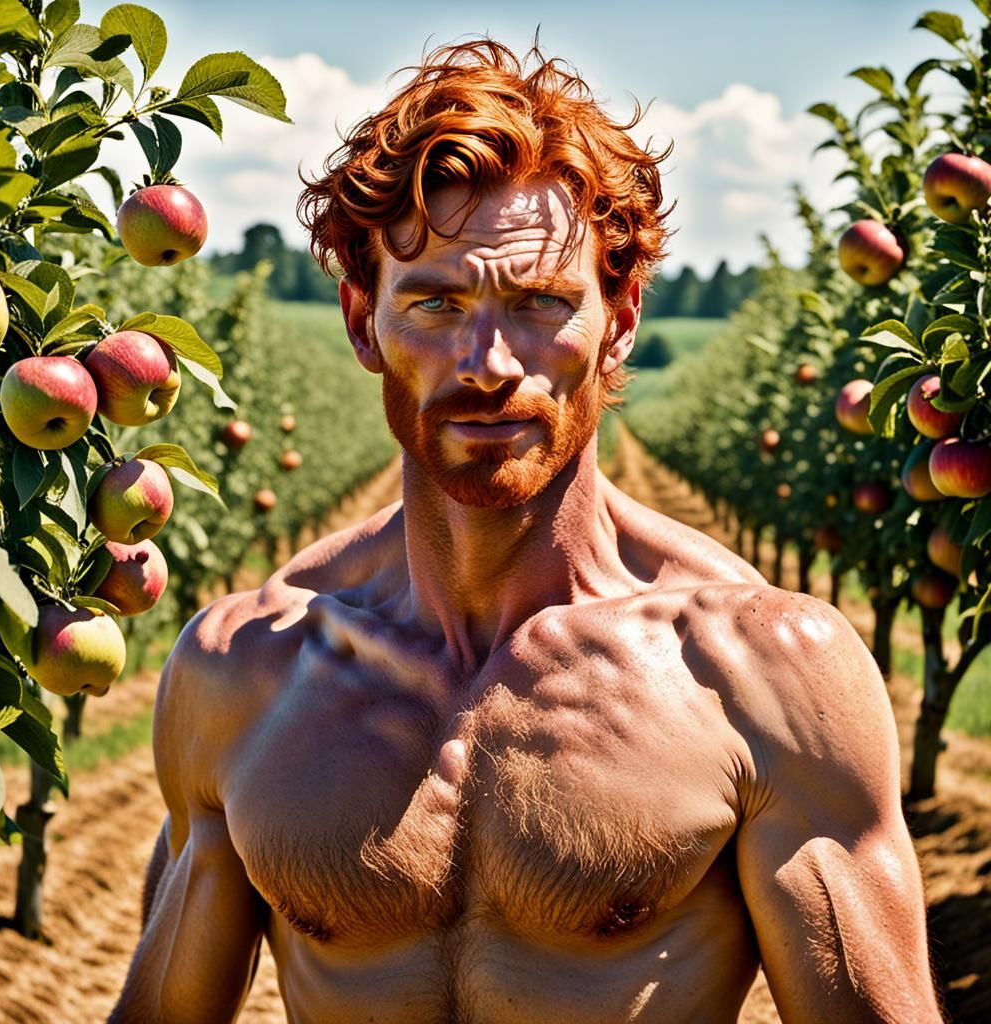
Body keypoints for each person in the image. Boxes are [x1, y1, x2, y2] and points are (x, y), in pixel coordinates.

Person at [110, 40, 942, 1023]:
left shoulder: (764, 673)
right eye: (434, 302)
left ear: (620, 319)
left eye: (541, 301)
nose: (488, 359)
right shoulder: (241, 669)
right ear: (360, 321)